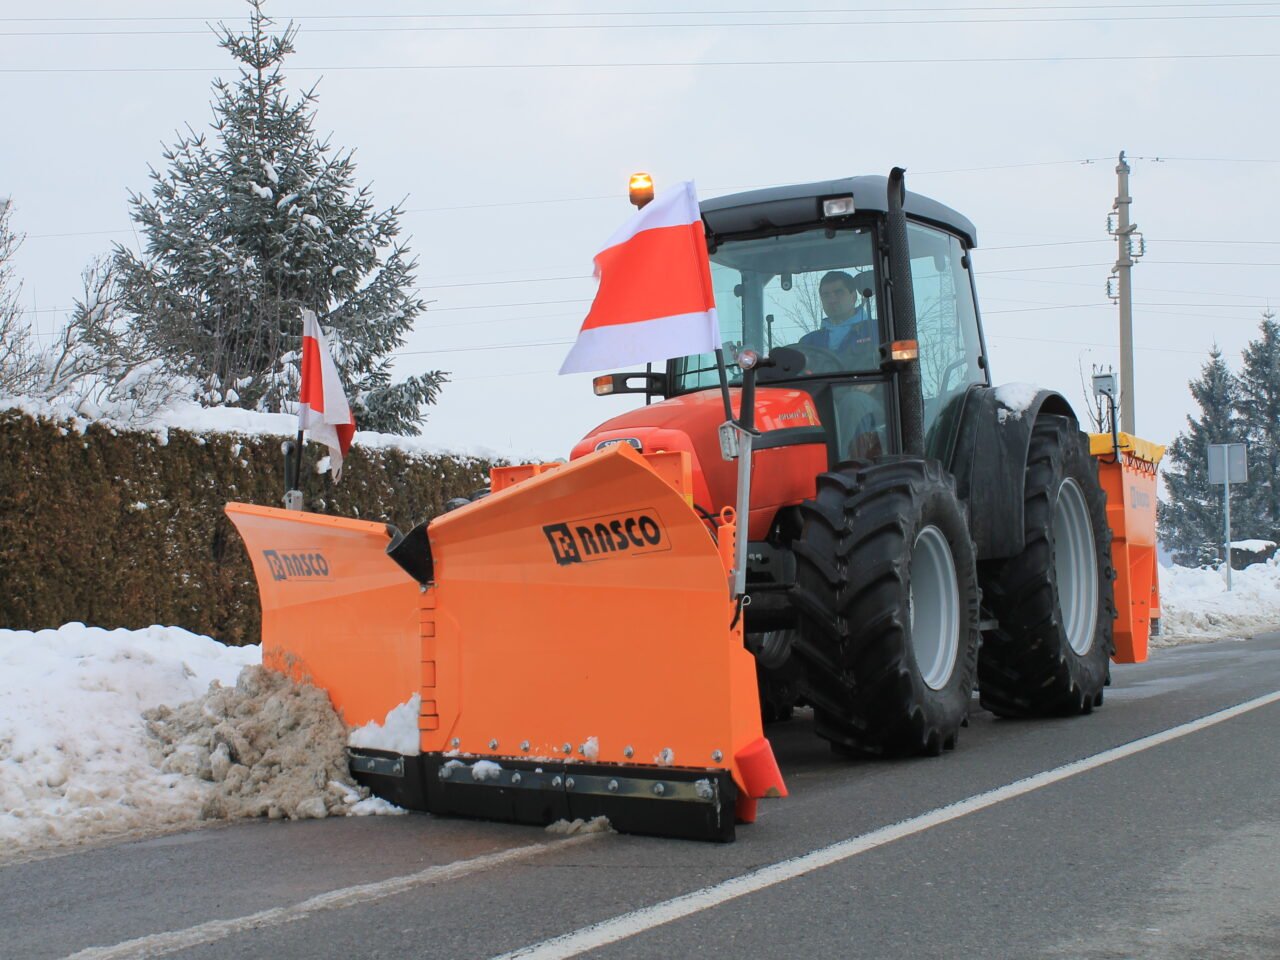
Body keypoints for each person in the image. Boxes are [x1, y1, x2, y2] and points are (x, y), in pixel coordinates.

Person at [798, 270, 877, 369]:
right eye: (826, 295)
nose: (832, 300)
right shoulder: (808, 342)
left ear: (854, 297)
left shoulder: (877, 330)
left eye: (838, 293)